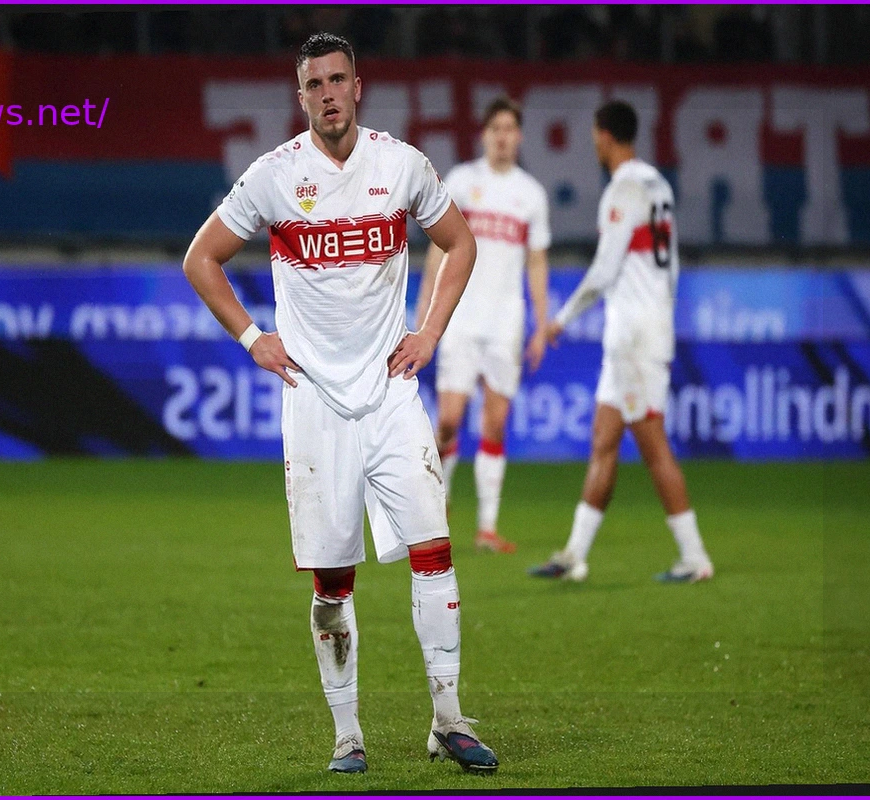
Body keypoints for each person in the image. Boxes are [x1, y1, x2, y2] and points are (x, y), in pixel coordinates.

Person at [182, 33, 499, 774]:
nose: (328, 94)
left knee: (434, 550)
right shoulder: (274, 176)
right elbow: (201, 259)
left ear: (359, 87)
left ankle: (449, 720)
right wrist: (252, 337)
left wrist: (429, 332)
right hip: (315, 400)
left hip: (391, 392)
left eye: (337, 80)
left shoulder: (401, 165)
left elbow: (459, 243)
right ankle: (347, 735)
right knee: (332, 583)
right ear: (301, 97)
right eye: (314, 84)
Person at [528, 99, 714, 584]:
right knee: (603, 442)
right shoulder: (658, 184)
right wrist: (662, 313)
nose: (594, 142)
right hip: (642, 330)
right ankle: (574, 554)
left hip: (633, 337)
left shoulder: (622, 190)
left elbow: (604, 271)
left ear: (605, 136)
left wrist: (560, 319)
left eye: (595, 134)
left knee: (653, 445)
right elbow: (671, 265)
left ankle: (695, 558)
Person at [414, 96, 552, 555]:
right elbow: (439, 248)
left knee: (494, 425)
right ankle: (439, 500)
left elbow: (536, 262)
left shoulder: (531, 194)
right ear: (484, 134)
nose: (502, 137)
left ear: (519, 136)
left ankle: (487, 528)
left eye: (510, 129)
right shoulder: (461, 181)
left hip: (505, 322)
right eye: (496, 128)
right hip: (460, 317)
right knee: (449, 420)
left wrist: (541, 323)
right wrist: (425, 307)